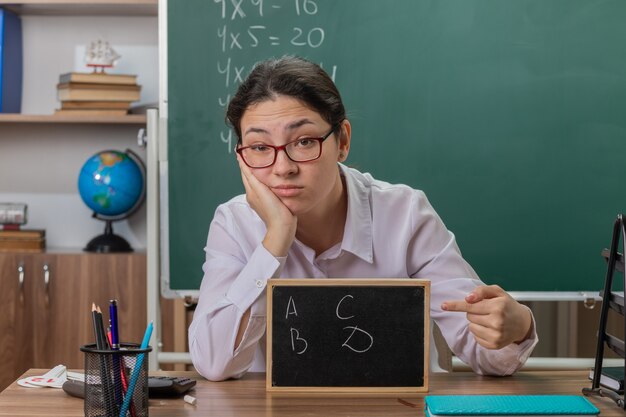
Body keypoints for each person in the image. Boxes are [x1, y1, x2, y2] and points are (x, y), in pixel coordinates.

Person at [189, 56, 538, 381]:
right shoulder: (234, 223)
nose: (283, 168)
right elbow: (215, 364)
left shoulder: (404, 214)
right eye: (260, 148)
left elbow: (486, 352)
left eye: (305, 141)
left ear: (342, 141)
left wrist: (517, 325)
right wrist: (276, 239)